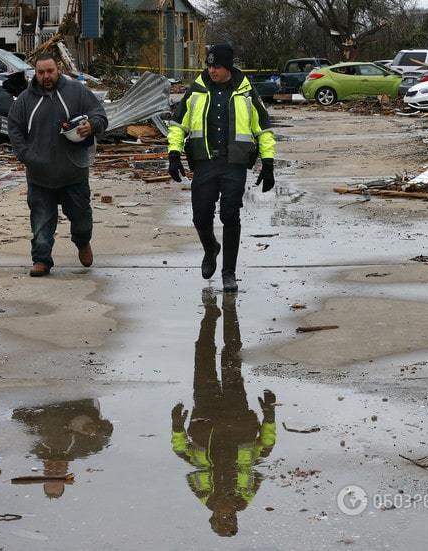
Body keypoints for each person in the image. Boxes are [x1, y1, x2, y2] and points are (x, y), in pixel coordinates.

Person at [167, 43, 276, 292]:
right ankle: (210, 248)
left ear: (228, 67)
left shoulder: (247, 93)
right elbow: (177, 124)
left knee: (230, 215)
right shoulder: (196, 91)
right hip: (204, 163)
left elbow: (264, 130)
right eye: (209, 65)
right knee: (201, 215)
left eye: (217, 66)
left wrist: (268, 163)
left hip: (234, 164)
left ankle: (229, 273)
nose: (212, 70)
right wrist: (173, 154)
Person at [171, 291, 277, 537]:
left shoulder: (203, 493)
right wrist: (269, 418)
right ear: (236, 517)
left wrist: (177, 427)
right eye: (229, 518)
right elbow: (264, 450)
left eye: (221, 519)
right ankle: (230, 312)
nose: (225, 513)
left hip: (205, 415)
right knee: (231, 356)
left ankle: (210, 315)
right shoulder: (245, 494)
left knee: (204, 354)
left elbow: (183, 453)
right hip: (236, 415)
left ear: (213, 517)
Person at [8, 53, 108, 277]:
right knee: (41, 222)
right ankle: (41, 259)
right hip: (40, 176)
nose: (46, 76)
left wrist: (91, 125)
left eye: (50, 71)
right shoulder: (25, 100)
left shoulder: (77, 92)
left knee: (82, 220)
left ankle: (83, 242)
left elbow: (100, 114)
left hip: (74, 173)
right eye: (41, 72)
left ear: (58, 69)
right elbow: (14, 129)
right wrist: (27, 156)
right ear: (35, 73)